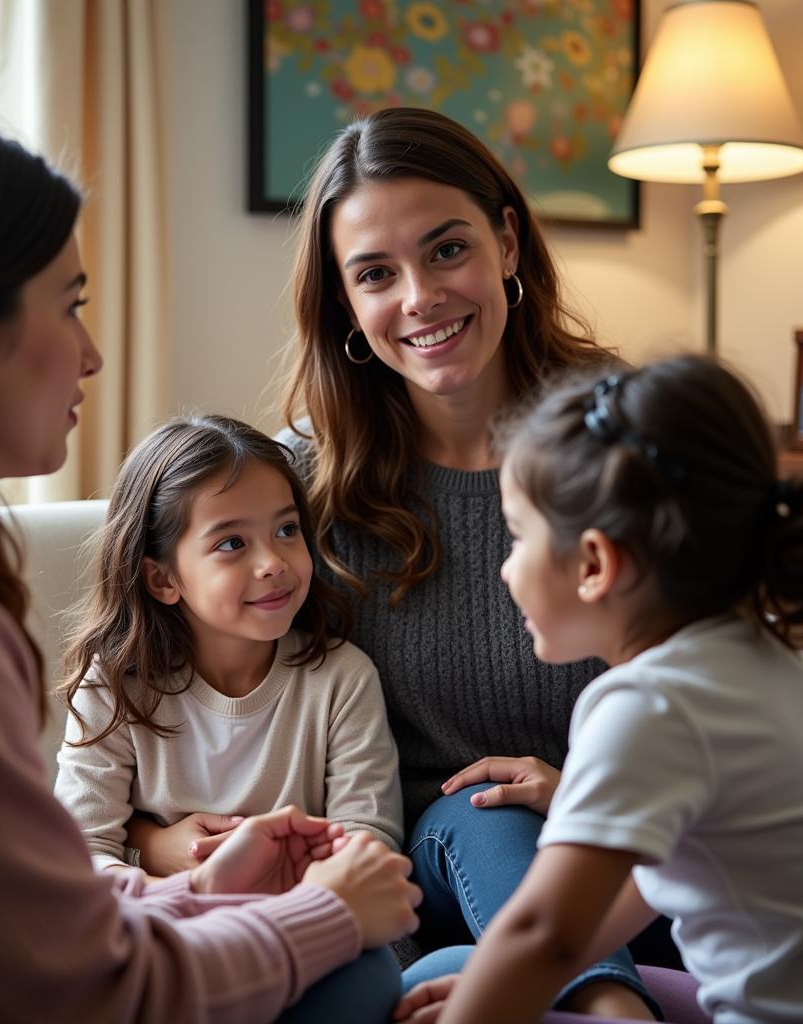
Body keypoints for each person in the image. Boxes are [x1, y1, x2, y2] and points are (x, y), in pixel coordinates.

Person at [0, 107, 422, 1023]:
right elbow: (78, 985)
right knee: (353, 975)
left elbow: (14, 914)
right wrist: (320, 917)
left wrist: (193, 892)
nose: (90, 356)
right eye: (70, 304)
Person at [278, 105, 661, 1017]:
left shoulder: (629, 440)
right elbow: (187, 691)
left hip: (642, 856)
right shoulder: (299, 487)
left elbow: (714, 681)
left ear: (508, 242)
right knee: (485, 812)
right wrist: (153, 832)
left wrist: (580, 798)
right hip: (447, 871)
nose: (419, 296)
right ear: (344, 302)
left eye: (447, 250)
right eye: (376, 273)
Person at [395, 354, 803, 1023]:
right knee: (459, 970)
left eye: (517, 535)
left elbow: (542, 936)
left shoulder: (648, 705)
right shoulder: (774, 664)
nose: (505, 571)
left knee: (437, 986)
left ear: (593, 563)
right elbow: (637, 894)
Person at [53, 413, 403, 876]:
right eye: (232, 542)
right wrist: (153, 857)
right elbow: (77, 854)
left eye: (286, 529)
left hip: (307, 925)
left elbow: (368, 838)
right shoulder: (114, 687)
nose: (273, 563)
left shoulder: (342, 679)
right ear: (162, 578)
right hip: (164, 928)